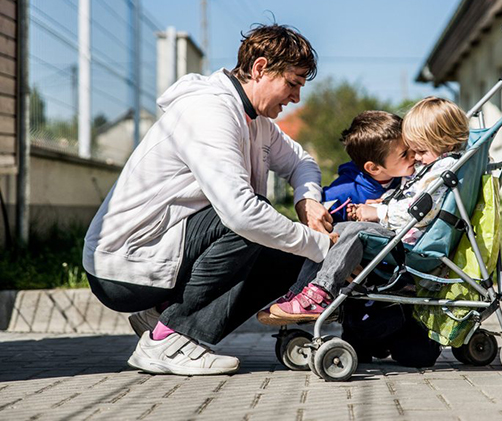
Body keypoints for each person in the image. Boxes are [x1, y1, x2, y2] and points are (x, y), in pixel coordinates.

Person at [82, 24, 337, 376]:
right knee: (252, 218)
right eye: (292, 83)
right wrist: (320, 246)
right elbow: (241, 215)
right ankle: (170, 341)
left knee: (284, 258)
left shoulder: (256, 120)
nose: (296, 98)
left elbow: (302, 162)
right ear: (260, 68)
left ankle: (161, 317)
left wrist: (307, 201)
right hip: (126, 265)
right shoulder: (209, 111)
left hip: (162, 255)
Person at [270, 97, 469, 321]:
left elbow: (418, 211)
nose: (416, 157)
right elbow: (414, 200)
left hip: (413, 246)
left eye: (420, 150)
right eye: (410, 152)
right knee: (342, 230)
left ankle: (320, 294)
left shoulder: (440, 171)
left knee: (355, 231)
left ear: (442, 142)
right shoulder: (436, 168)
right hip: (402, 241)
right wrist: (384, 204)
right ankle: (305, 293)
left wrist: (379, 212)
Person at [256, 109, 414, 324]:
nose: (413, 156)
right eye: (405, 154)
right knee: (328, 237)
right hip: (350, 260)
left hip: (387, 260)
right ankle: (300, 295)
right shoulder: (344, 191)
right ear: (374, 167)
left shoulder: (409, 181)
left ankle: (305, 298)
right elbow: (318, 220)